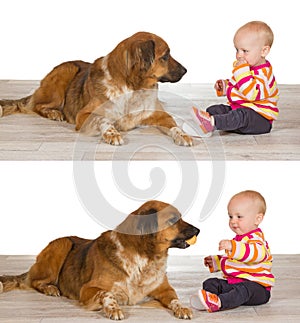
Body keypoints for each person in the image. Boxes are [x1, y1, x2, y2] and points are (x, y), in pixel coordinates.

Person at [190, 190, 275, 312]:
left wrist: (233, 247)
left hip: (258, 289)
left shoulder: (256, 240)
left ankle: (220, 302)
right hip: (235, 283)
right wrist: (216, 261)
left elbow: (255, 254)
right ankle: (210, 298)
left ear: (257, 219)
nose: (233, 221)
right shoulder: (238, 241)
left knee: (243, 289)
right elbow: (234, 260)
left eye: (239, 217)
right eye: (230, 216)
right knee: (211, 282)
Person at [191, 21, 279, 135]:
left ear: (264, 51)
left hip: (259, 119)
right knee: (214, 110)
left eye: (245, 51)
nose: (239, 55)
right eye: (237, 50)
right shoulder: (247, 69)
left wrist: (241, 71)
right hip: (240, 109)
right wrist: (225, 86)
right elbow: (239, 87)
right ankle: (209, 122)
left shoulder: (264, 74)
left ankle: (212, 123)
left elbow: (251, 94)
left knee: (240, 116)